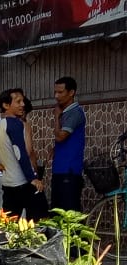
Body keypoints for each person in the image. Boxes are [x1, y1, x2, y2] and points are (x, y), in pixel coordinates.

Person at [0, 88, 45, 219]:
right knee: (39, 222)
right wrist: (32, 178)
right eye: (18, 101)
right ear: (6, 105)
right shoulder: (15, 124)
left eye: (23, 101)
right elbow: (20, 152)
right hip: (21, 183)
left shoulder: (0, 125)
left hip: (8, 183)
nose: (23, 104)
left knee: (9, 226)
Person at [51, 76, 86, 213]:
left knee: (68, 213)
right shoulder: (66, 112)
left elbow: (60, 137)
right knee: (57, 211)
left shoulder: (74, 113)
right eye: (55, 92)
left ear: (71, 92)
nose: (56, 96)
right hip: (60, 169)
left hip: (69, 170)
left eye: (60, 92)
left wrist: (56, 116)